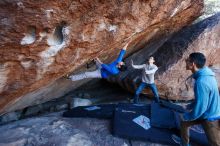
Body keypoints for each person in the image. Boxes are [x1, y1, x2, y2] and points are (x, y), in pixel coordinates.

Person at [176, 52, 220, 146]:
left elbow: (201, 108)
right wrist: (189, 106)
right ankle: (185, 144)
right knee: (184, 123)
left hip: (210, 117)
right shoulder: (207, 74)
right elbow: (203, 100)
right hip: (206, 111)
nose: (185, 62)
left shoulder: (201, 82)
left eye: (187, 60)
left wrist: (187, 116)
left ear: (193, 64)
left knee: (215, 143)